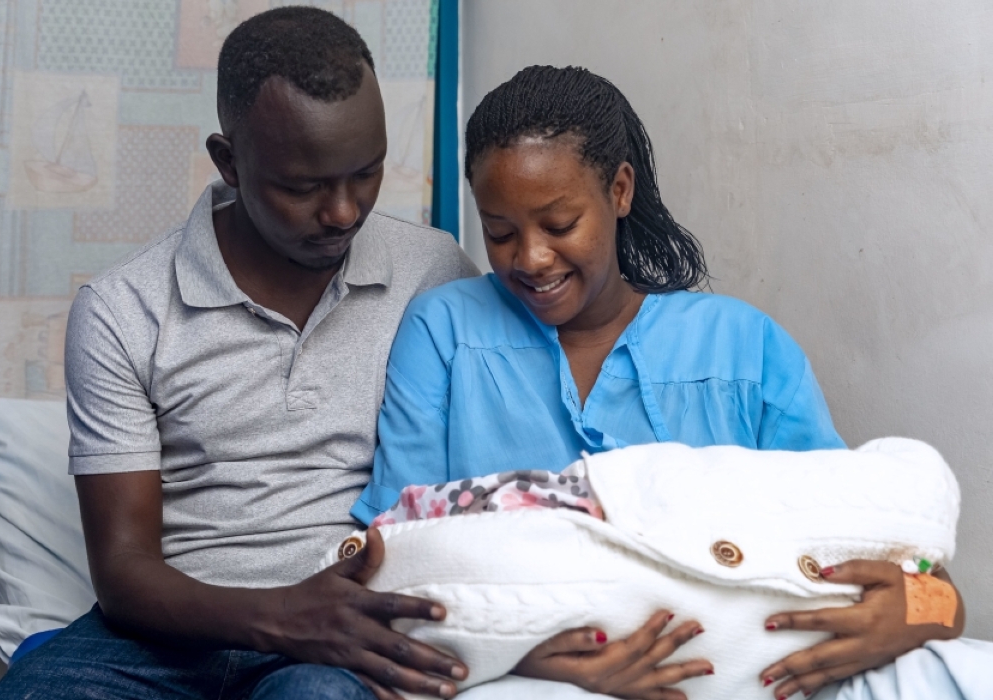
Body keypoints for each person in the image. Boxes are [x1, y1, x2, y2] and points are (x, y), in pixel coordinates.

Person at [352, 66, 972, 700]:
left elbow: (873, 538)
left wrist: (929, 608)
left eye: (560, 225)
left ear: (620, 190)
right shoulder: (446, 333)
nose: (530, 258)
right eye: (500, 232)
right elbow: (396, 559)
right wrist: (542, 661)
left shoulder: (742, 348)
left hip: (741, 666)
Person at [0, 8, 479, 700]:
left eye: (366, 173)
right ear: (228, 161)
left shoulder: (432, 272)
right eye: (302, 188)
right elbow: (124, 571)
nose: (342, 211)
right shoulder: (125, 309)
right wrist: (279, 616)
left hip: (340, 628)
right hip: (166, 637)